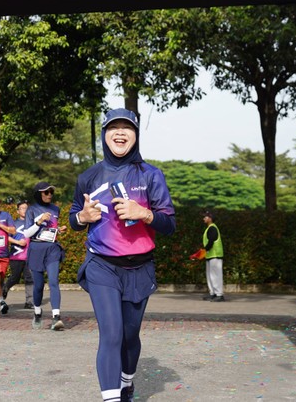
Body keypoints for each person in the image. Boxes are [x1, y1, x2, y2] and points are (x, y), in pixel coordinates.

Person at [69, 108, 176, 402]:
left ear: (135, 135)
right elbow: (73, 218)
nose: (119, 132)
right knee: (112, 334)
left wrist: (145, 214)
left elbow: (170, 224)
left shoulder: (151, 175)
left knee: (129, 336)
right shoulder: (89, 176)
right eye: (113, 127)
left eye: (126, 128)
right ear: (104, 134)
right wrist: (82, 217)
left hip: (140, 268)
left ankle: (127, 382)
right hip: (101, 265)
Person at [23, 182, 67, 331]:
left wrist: (58, 230)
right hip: (36, 248)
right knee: (39, 286)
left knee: (54, 281)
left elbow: (51, 228)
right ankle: (37, 312)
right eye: (46, 192)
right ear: (38, 194)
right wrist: (39, 221)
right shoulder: (32, 210)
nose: (49, 195)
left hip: (52, 249)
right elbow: (27, 233)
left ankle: (56, 317)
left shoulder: (55, 209)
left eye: (51, 192)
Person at [2, 200, 35, 309]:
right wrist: (18, 242)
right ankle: (5, 288)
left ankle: (29, 302)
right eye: (22, 208)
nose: (25, 210)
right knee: (15, 277)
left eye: (27, 208)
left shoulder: (32, 223)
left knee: (30, 279)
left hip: (29, 257)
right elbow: (6, 237)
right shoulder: (13, 224)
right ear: (17, 211)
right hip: (16, 256)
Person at [201, 210, 224, 302]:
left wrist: (204, 250)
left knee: (215, 276)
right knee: (210, 276)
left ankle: (219, 294)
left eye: (205, 217)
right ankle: (213, 293)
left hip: (215, 255)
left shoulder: (212, 228)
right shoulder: (209, 228)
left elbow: (211, 241)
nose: (203, 218)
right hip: (210, 255)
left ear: (210, 218)